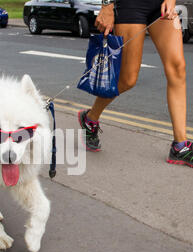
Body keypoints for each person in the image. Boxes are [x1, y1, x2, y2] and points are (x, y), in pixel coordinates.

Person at [78, 0, 192, 167]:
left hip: (161, 4)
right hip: (131, 5)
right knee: (127, 80)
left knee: (177, 67)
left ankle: (180, 146)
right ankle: (90, 118)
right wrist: (107, 5)